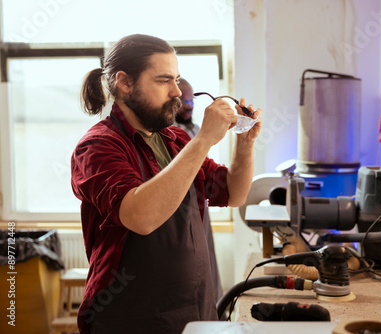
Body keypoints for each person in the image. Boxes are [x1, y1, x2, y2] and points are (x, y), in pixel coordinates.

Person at [71, 34, 261, 334]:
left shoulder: (176, 140)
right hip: (130, 317)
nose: (176, 91)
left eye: (177, 79)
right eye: (163, 81)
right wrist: (204, 140)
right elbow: (141, 217)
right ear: (125, 83)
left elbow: (233, 193)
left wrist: (245, 145)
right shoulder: (97, 147)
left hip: (195, 306)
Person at [173, 78, 223, 302]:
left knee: (206, 261)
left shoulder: (194, 131)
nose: (189, 105)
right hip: (175, 211)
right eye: (183, 100)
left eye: (191, 99)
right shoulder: (168, 135)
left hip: (198, 204)